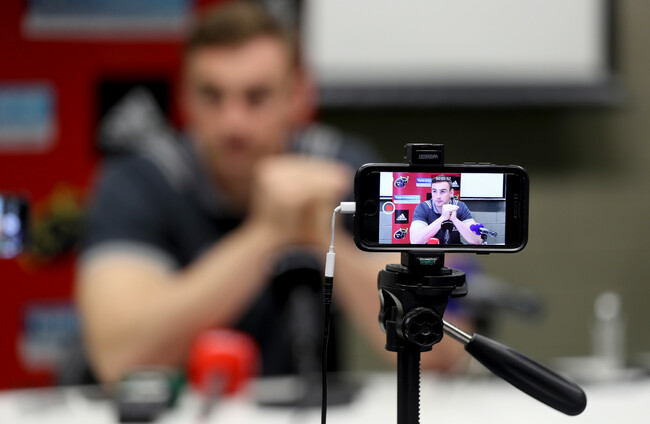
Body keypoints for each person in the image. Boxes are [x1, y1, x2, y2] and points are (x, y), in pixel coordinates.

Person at [76, 1, 468, 385]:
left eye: (256, 96)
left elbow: (444, 351)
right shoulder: (138, 182)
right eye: (212, 96)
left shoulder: (343, 171)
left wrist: (324, 237)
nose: (233, 123)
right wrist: (267, 233)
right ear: (184, 98)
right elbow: (119, 359)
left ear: (298, 96)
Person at [409, 175, 481, 245]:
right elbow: (415, 241)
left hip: (454, 251)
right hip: (430, 251)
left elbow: (477, 240)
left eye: (442, 191)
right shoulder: (423, 208)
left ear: (451, 193)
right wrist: (443, 218)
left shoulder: (460, 207)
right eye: (434, 191)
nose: (438, 196)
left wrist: (455, 220)